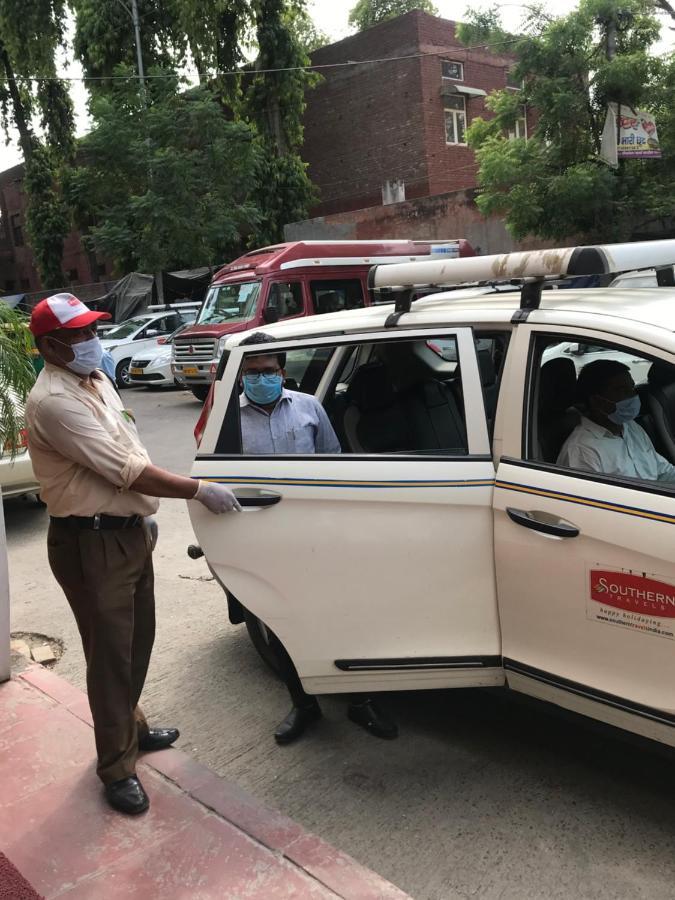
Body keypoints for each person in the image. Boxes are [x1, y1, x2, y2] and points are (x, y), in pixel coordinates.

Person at [25, 293, 240, 816]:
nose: (90, 342)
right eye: (77, 336)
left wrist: (140, 514)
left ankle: (133, 728)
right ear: (50, 345)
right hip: (90, 542)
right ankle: (116, 767)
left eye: (90, 331)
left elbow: (131, 449)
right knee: (109, 657)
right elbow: (125, 469)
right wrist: (196, 489)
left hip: (122, 532)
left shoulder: (94, 380)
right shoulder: (54, 400)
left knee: (136, 641)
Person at [237, 332, 398, 744]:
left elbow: (334, 465)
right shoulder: (228, 419)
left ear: (282, 371)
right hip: (262, 539)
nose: (261, 379)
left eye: (268, 371)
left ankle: (361, 702)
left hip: (316, 534)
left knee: (340, 616)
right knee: (281, 624)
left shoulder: (309, 408)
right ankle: (304, 705)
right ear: (241, 375)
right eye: (252, 373)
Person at [557, 359, 675, 482]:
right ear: (596, 401)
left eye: (632, 387)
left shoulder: (631, 427)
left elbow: (662, 471)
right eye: (621, 390)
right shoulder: (582, 451)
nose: (632, 395)